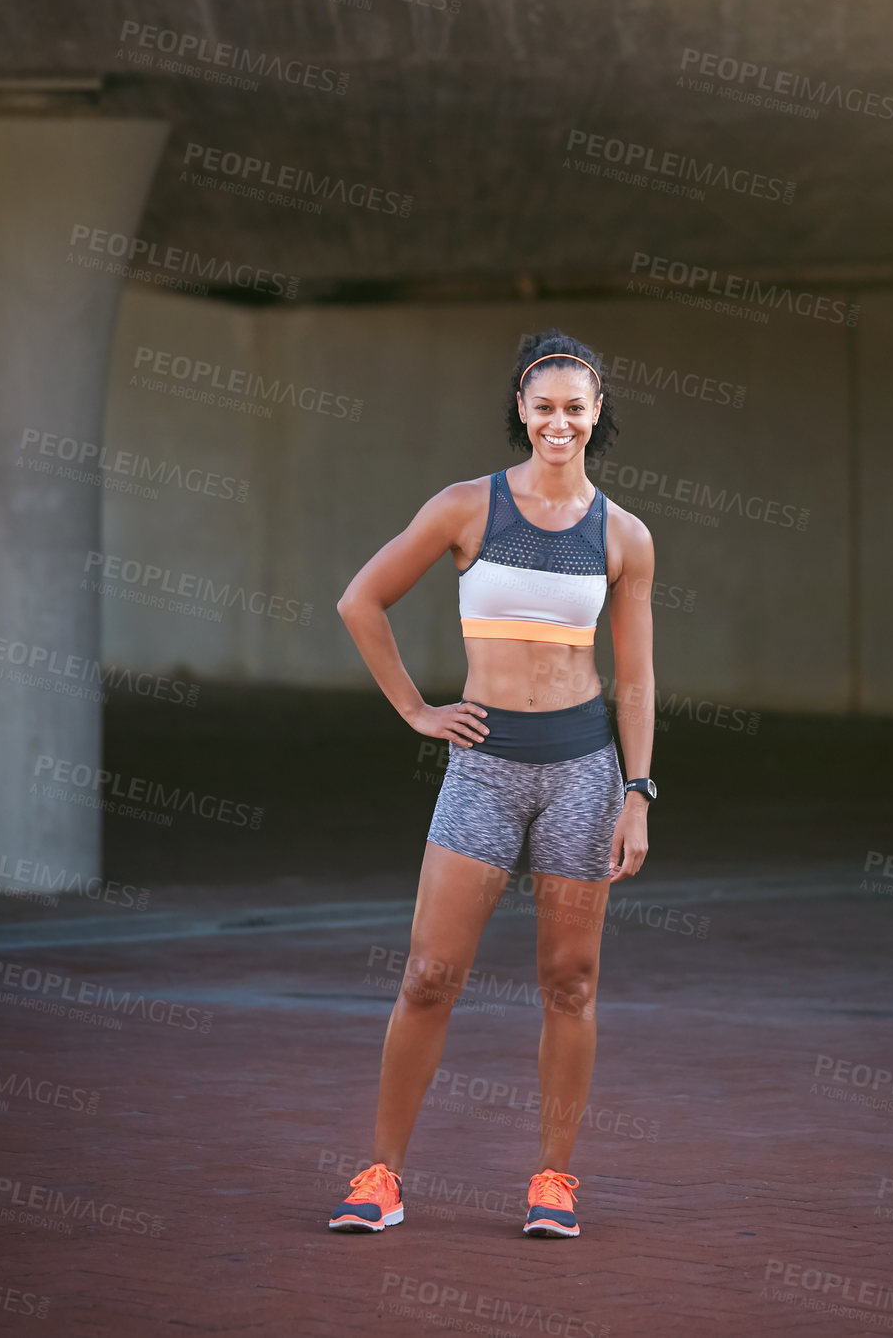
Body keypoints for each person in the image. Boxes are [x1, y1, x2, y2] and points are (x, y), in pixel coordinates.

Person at [328, 328, 657, 1238]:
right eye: (542, 405)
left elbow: (635, 678)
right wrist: (417, 711)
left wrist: (638, 790)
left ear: (596, 416)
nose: (559, 422)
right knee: (430, 974)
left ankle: (553, 1179)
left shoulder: (624, 534)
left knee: (571, 982)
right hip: (483, 768)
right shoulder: (465, 508)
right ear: (521, 408)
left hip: (584, 773)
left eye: (575, 408)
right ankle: (382, 1175)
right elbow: (360, 600)